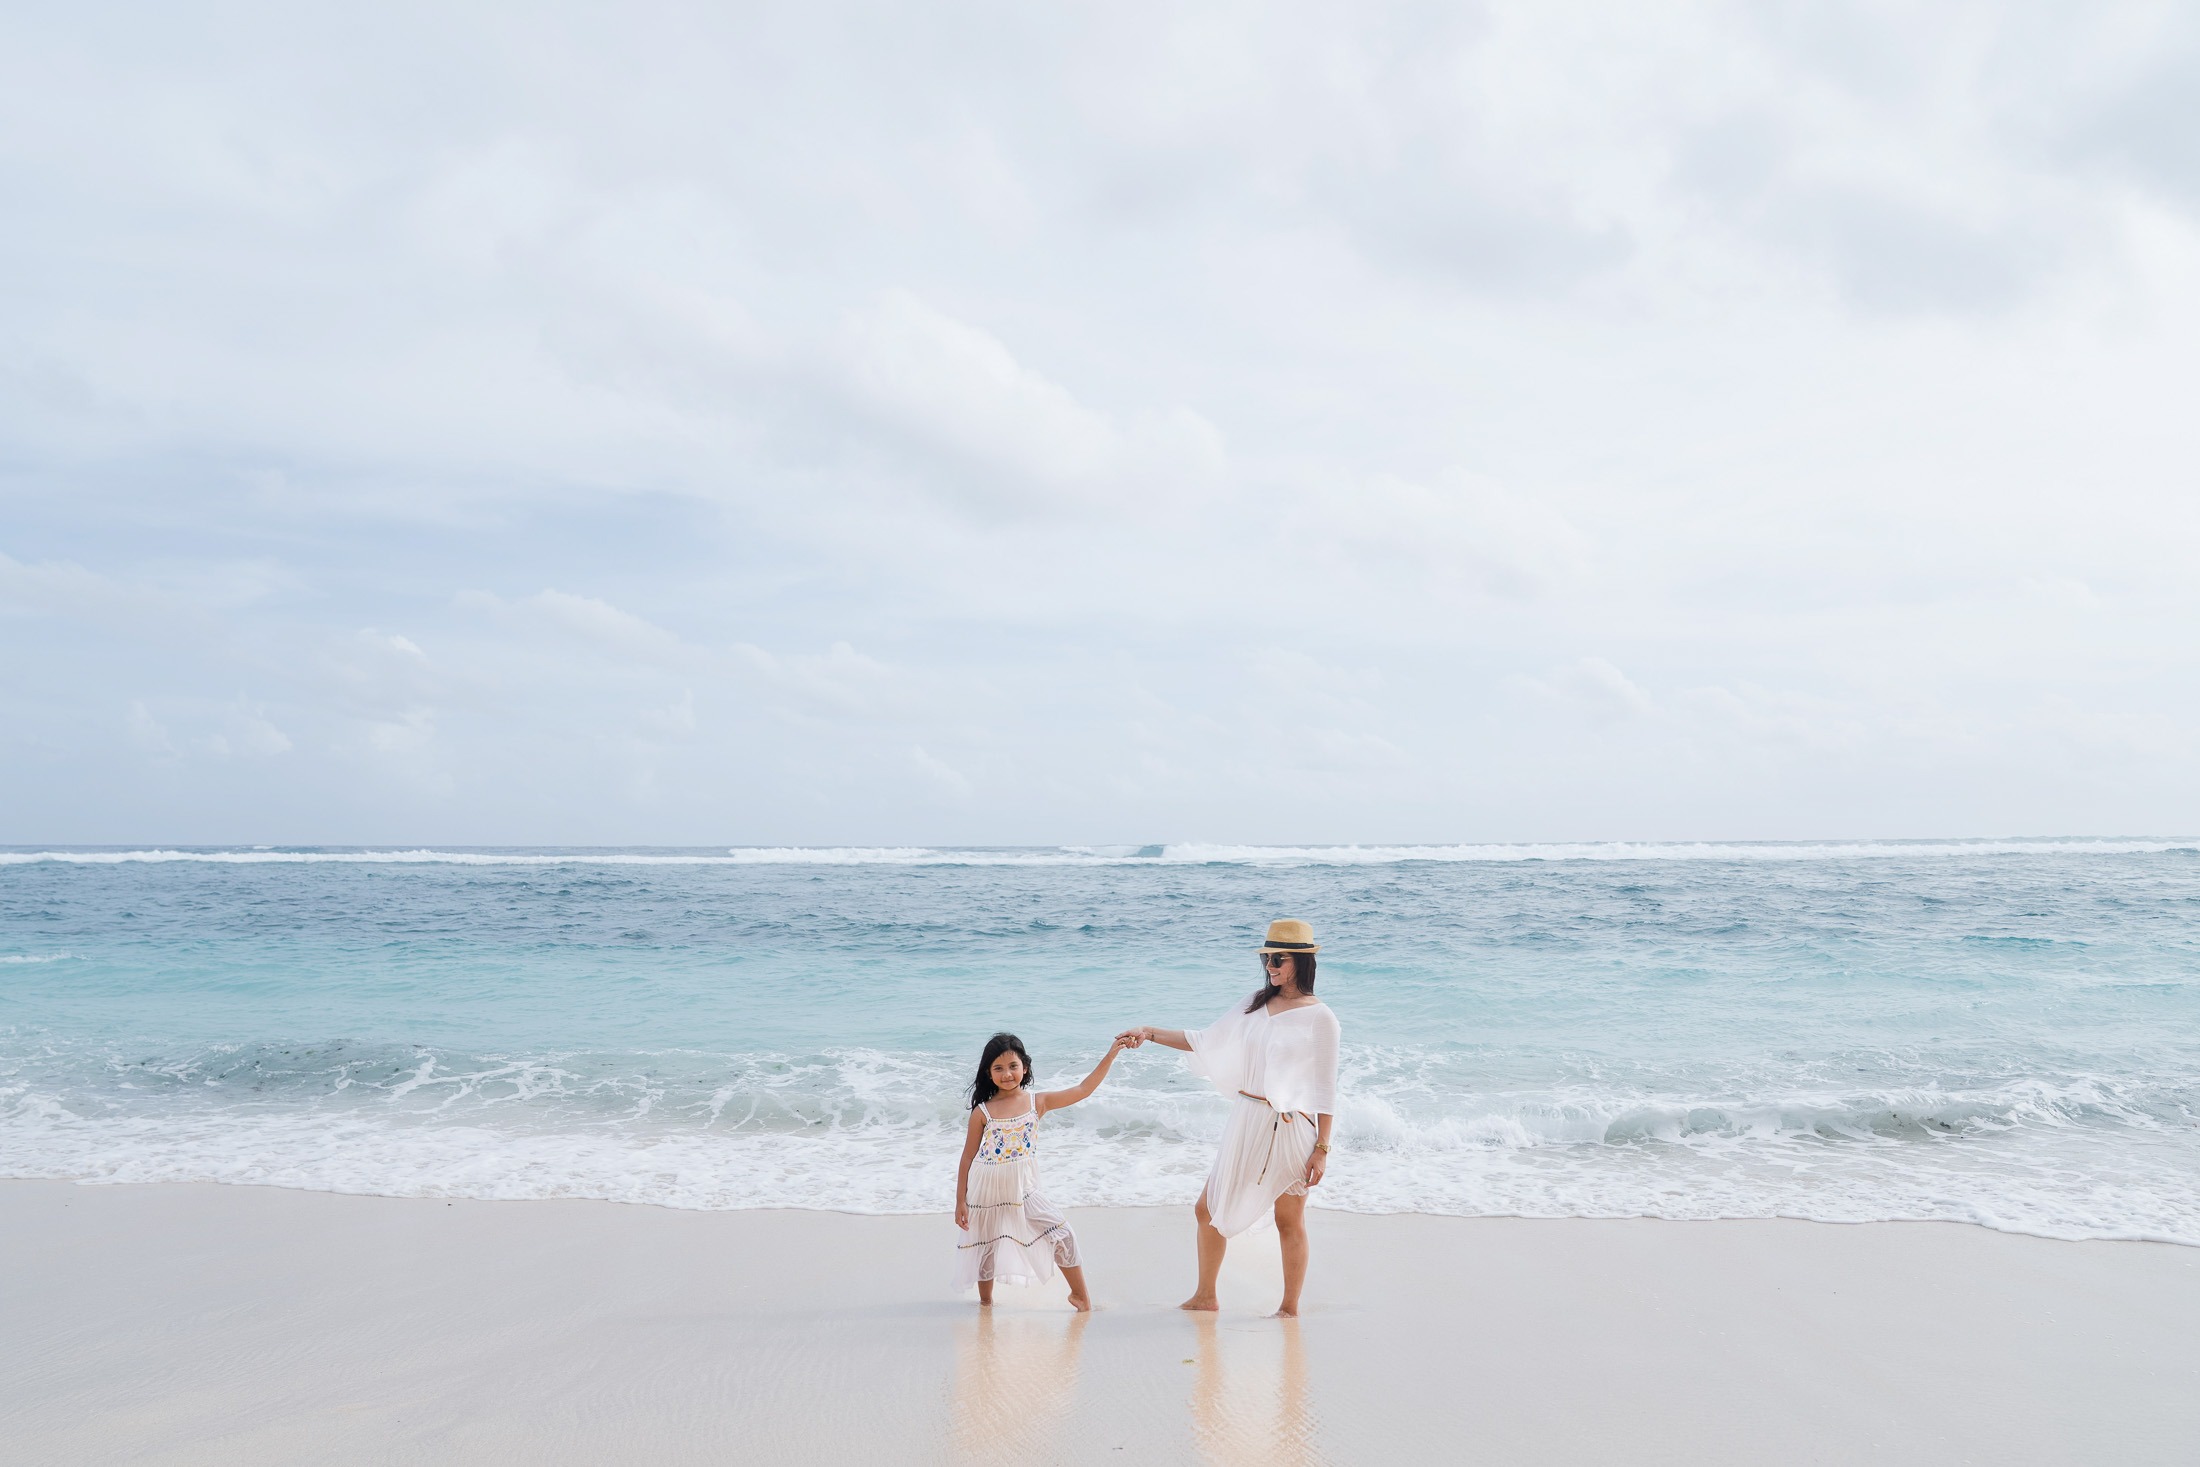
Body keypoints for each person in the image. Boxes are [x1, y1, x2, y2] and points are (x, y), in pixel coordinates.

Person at [1121, 919, 1340, 1317]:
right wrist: (1149, 1032)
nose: (1270, 966)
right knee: (1206, 1209)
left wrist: (1322, 1149)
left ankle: (1289, 1308)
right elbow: (1203, 1040)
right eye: (1266, 958)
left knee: (1288, 1220)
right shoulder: (1254, 1003)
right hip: (1246, 1119)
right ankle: (1206, 1296)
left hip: (1289, 1128)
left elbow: (1325, 1089)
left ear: (1302, 961)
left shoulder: (1321, 1018)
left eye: (1278, 959)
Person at [954, 1030, 1132, 1311]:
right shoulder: (982, 1112)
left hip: (1023, 1189)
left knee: (1062, 1234)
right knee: (985, 1246)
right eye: (998, 1068)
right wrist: (960, 1201)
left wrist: (1111, 1055)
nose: (1007, 1074)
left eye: (1013, 1066)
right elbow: (967, 1158)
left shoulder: (1038, 1102)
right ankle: (986, 1303)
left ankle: (1080, 1296)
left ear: (1025, 1067)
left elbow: (1083, 1089)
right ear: (988, 1073)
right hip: (985, 1188)